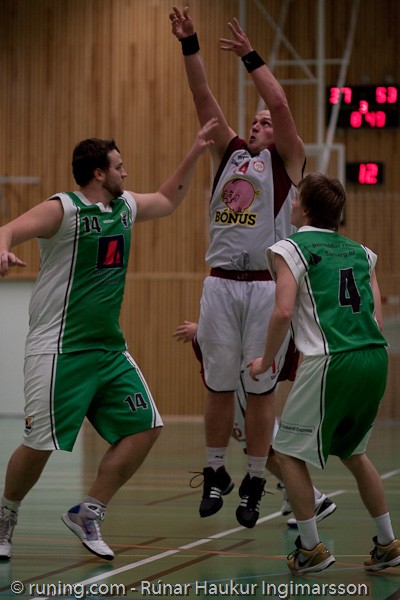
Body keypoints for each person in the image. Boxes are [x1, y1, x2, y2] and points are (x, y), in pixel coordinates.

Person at [0, 118, 218, 562]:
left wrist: (195, 151)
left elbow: (167, 199)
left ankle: (89, 511)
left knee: (145, 426)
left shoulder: (125, 208)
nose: (126, 172)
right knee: (40, 444)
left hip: (108, 349)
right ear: (99, 173)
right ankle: (6, 516)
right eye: (119, 166)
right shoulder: (64, 209)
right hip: (59, 349)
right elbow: (7, 229)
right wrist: (3, 248)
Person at [169, 6, 306, 528]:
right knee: (219, 386)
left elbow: (280, 101)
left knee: (261, 388)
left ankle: (253, 479)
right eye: (253, 121)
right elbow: (202, 96)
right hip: (221, 284)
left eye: (265, 123)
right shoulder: (229, 154)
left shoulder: (288, 162)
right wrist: (190, 44)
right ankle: (214, 471)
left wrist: (251, 56)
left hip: (266, 287)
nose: (257, 124)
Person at [248, 172, 400, 574]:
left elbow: (283, 311)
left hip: (332, 359)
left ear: (307, 207)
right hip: (374, 357)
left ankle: (310, 549)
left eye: (297, 198)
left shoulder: (290, 247)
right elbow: (376, 319)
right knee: (354, 452)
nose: (292, 203)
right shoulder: (362, 253)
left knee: (287, 453)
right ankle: (387, 543)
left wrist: (265, 361)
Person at [173, 320, 337, 525]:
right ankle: (293, 490)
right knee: (242, 433)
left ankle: (314, 500)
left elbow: (253, 318)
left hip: (250, 364)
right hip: (257, 359)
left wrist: (204, 329)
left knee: (261, 444)